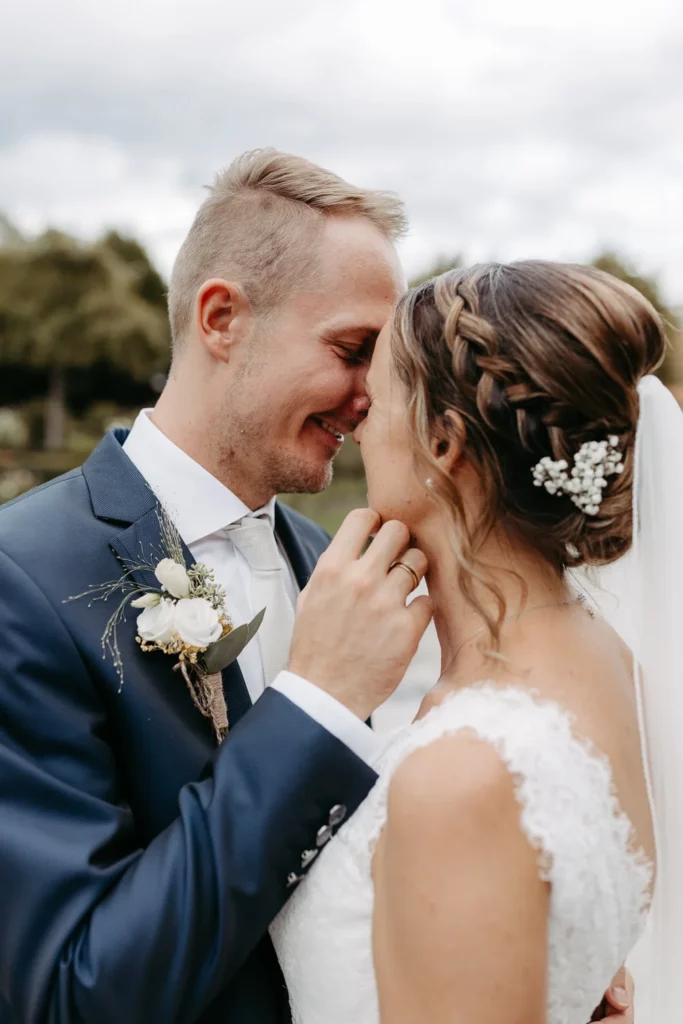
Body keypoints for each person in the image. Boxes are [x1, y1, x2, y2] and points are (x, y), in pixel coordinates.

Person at [0, 150, 633, 1023]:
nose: (372, 399)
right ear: (221, 318)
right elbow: (69, 993)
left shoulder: (331, 560)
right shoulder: (23, 579)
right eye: (350, 351)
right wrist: (315, 703)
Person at [270, 260, 673, 1023]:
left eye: (379, 399)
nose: (356, 420)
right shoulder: (605, 660)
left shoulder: (464, 777)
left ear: (445, 441)